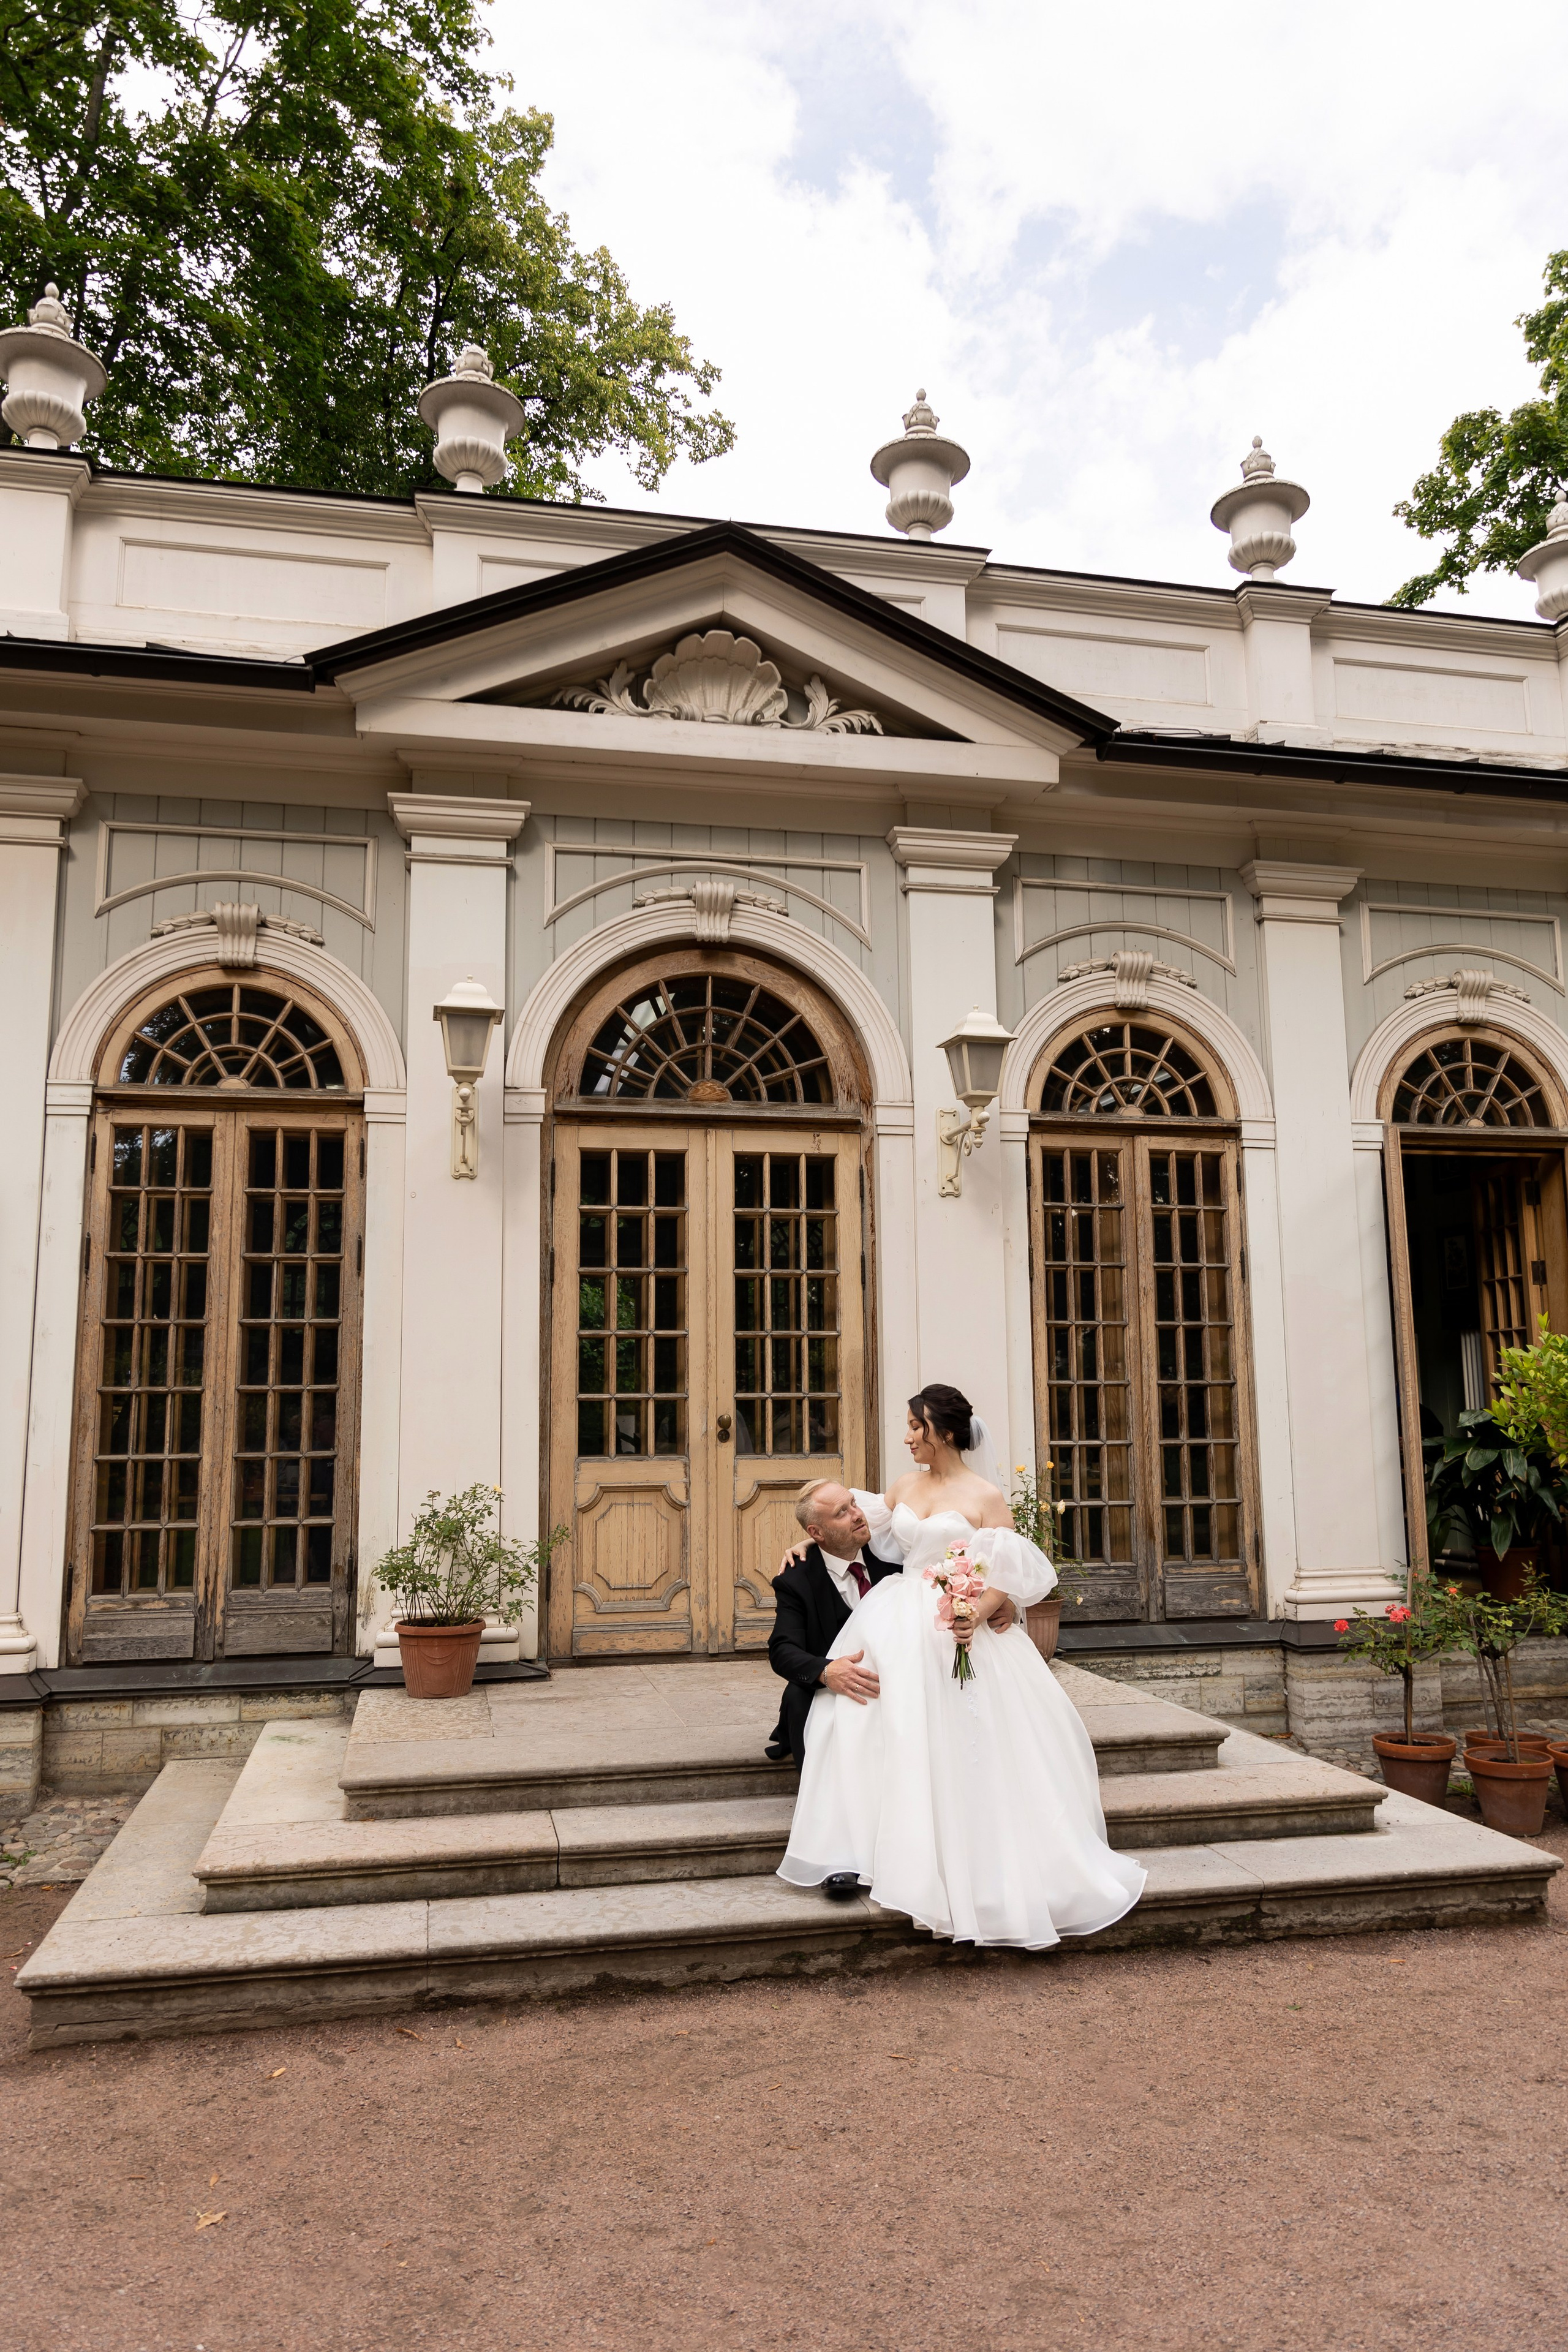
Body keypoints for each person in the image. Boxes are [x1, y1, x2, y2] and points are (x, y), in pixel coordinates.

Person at [777, 1382, 1147, 1949]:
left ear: (943, 1433)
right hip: (897, 1619)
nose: (906, 1438)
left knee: (967, 1738)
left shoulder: (984, 1497)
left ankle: (972, 1862)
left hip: (958, 1627)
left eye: (914, 1427)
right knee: (861, 1718)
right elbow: (845, 1523)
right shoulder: (901, 1487)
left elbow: (1008, 1570)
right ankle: (867, 1848)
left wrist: (981, 1609)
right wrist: (805, 1546)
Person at [764, 1482, 905, 1777]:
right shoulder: (796, 1579)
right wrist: (827, 1672)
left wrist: (998, 1602)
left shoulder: (894, 1556)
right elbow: (783, 1650)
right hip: (839, 1682)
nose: (857, 1514)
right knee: (798, 1695)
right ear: (816, 1533)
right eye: (842, 1512)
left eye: (854, 1503)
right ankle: (818, 1799)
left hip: (898, 1676)